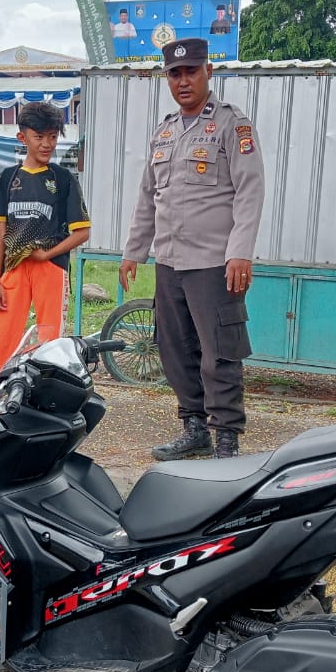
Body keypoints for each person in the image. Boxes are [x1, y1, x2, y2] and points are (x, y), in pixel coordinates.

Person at [118, 38, 266, 460]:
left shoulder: (231, 125)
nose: (183, 81)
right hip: (170, 261)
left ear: (208, 74)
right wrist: (134, 251)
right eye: (175, 74)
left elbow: (250, 190)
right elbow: (149, 196)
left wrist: (240, 251)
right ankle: (195, 428)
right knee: (176, 348)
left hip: (215, 264)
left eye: (191, 72)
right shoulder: (164, 131)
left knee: (220, 352)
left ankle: (225, 440)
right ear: (167, 78)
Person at [0, 102, 90, 399]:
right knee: (2, 335)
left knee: (49, 337)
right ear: (22, 138)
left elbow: (82, 232)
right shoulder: (6, 179)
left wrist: (48, 254)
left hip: (49, 268)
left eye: (52, 137)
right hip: (13, 268)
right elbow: (0, 232)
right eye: (39, 136)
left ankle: (41, 396)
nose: (46, 144)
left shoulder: (63, 179)